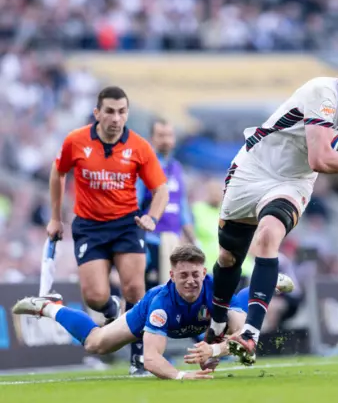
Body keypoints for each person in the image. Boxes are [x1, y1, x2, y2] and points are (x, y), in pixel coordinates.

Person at [207, 54, 338, 363]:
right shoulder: (322, 92)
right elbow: (321, 159)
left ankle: (250, 334)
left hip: (293, 182)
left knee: (268, 236)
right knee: (228, 258)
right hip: (254, 168)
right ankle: (216, 325)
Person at [11, 244, 295, 380]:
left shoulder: (213, 286)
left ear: (204, 272)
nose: (191, 281)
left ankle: (268, 284)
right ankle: (49, 306)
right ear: (172, 275)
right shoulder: (160, 305)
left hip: (206, 321)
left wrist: (213, 351)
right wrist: (181, 376)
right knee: (96, 343)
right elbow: (150, 359)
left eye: (196, 274)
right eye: (183, 275)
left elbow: (241, 333)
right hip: (150, 317)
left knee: (237, 318)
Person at [47, 86, 169, 375]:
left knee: (135, 289)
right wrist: (55, 217)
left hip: (127, 225)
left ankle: (139, 357)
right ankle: (112, 312)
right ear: (97, 113)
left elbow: (160, 188)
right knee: (94, 296)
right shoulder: (76, 141)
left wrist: (152, 216)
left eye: (122, 112)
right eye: (111, 111)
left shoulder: (139, 146)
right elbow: (58, 173)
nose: (116, 118)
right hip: (89, 226)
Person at [137, 119, 196, 290]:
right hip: (150, 239)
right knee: (145, 288)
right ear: (151, 138)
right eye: (161, 135)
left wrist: (192, 237)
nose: (166, 140)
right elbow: (135, 202)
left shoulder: (176, 167)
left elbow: (182, 204)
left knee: (169, 288)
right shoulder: (144, 166)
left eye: (169, 135)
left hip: (172, 239)